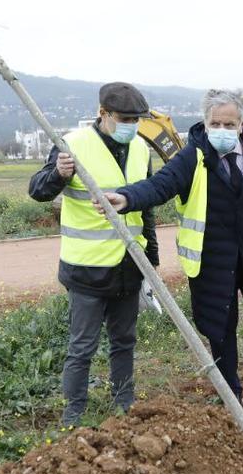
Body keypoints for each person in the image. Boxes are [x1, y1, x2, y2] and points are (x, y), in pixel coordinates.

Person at [97, 88, 243, 403]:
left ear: (242, 124)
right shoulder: (193, 156)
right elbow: (160, 185)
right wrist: (127, 198)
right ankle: (231, 393)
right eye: (216, 124)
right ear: (206, 122)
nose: (223, 131)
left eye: (230, 125)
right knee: (220, 327)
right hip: (212, 260)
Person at [28, 82, 159, 425]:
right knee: (82, 347)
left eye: (137, 119)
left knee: (124, 341)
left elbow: (146, 210)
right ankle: (73, 413)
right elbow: (37, 190)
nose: (132, 124)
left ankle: (124, 403)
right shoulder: (73, 144)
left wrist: (152, 261)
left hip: (129, 266)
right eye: (125, 118)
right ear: (103, 114)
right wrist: (58, 174)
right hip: (86, 269)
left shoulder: (142, 150)